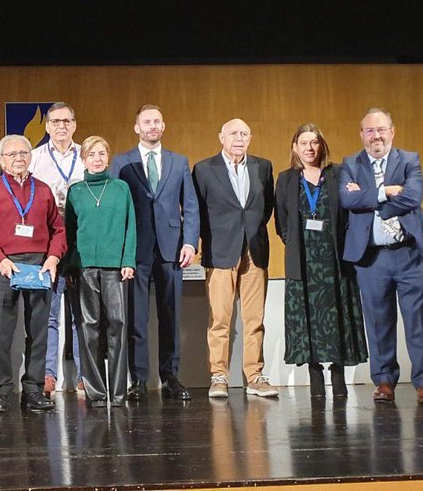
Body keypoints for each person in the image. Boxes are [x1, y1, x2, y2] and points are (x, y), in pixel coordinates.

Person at [340, 108, 423, 405]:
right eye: (370, 130)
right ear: (362, 134)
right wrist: (387, 192)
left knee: (419, 323)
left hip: (409, 254)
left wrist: (369, 198)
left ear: (392, 132)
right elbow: (347, 199)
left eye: (381, 129)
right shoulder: (350, 164)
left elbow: (413, 197)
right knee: (378, 323)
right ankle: (384, 382)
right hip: (372, 258)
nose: (376, 136)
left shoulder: (409, 160)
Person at [109, 104, 199, 401]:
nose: (152, 126)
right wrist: (120, 249)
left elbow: (191, 205)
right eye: (147, 122)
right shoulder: (122, 162)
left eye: (157, 121)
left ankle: (170, 376)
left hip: (172, 249)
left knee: (170, 315)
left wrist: (190, 242)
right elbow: (115, 207)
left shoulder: (179, 161)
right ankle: (137, 379)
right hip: (135, 249)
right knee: (136, 317)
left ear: (163, 126)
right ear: (137, 127)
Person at [0, 135, 66, 413]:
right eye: (12, 154)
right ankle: (0, 392)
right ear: (0, 160)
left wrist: (53, 257)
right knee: (0, 333)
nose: (18, 158)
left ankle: (34, 390)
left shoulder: (43, 190)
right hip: (4, 265)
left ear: (31, 157)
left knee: (38, 331)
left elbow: (58, 230)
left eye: (23, 153)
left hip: (39, 266)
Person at [273, 123, 368, 399]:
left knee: (337, 316)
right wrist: (296, 243)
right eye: (304, 143)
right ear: (295, 148)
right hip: (303, 261)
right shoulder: (286, 179)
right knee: (308, 318)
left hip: (335, 259)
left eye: (314, 143)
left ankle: (338, 373)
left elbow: (351, 213)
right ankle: (314, 373)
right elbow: (281, 222)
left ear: (322, 146)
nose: (309, 148)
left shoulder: (338, 173)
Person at [192, 118, 278, 399]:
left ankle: (255, 376)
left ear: (250, 138)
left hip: (255, 251)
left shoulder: (263, 167)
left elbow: (265, 208)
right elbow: (198, 212)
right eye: (233, 133)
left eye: (244, 134)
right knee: (219, 320)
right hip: (220, 251)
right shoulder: (204, 169)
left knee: (255, 319)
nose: (239, 138)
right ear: (221, 137)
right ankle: (219, 376)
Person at [64, 136, 136, 407]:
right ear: (83, 159)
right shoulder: (76, 191)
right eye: (91, 154)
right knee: (89, 327)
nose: (97, 159)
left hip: (115, 268)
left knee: (118, 324)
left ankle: (118, 392)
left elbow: (131, 226)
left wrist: (128, 260)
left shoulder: (121, 188)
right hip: (84, 268)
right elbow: (70, 233)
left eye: (101, 153)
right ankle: (96, 391)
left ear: (108, 158)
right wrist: (69, 266)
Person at [28, 102, 84, 395]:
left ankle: (85, 376)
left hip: (80, 244)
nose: (61, 126)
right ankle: (48, 374)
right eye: (55, 121)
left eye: (66, 121)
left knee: (80, 314)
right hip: (47, 245)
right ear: (47, 126)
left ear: (74, 125)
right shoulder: (35, 158)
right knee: (48, 314)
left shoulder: (87, 156)